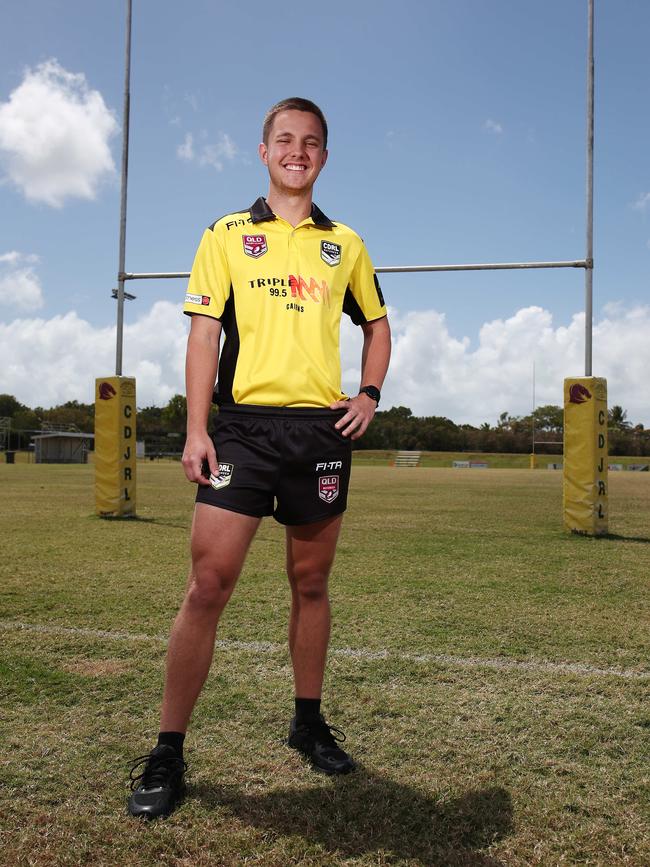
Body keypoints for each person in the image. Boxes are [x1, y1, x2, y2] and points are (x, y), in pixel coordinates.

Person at [128, 97, 391, 819]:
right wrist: (196, 427)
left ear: (324, 157)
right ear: (264, 151)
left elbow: (377, 325)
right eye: (285, 139)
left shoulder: (347, 244)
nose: (297, 150)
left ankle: (307, 723)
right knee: (207, 585)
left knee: (311, 583)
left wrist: (368, 393)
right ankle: (167, 750)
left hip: (318, 436)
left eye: (311, 142)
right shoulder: (226, 233)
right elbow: (203, 334)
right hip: (241, 430)